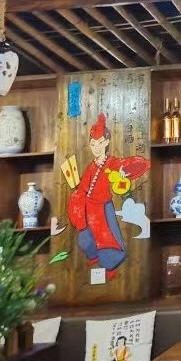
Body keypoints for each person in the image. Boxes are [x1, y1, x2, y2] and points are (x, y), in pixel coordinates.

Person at [67, 114, 150, 281]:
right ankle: (93, 255)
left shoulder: (112, 163)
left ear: (106, 142)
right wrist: (78, 197)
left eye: (99, 143)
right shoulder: (90, 167)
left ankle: (110, 267)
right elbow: (83, 188)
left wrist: (123, 172)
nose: (96, 147)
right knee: (85, 238)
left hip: (103, 208)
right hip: (88, 208)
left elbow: (136, 164)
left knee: (107, 238)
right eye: (92, 144)